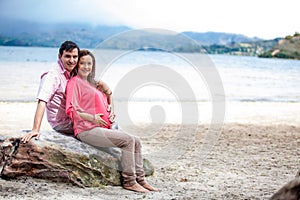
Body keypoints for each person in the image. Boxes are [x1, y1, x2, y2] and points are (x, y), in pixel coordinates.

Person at [66, 49, 158, 193]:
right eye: (82, 63)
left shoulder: (92, 83)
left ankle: (141, 179)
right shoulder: (74, 83)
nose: (86, 66)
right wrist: (92, 118)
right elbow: (71, 110)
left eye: (89, 63)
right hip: (86, 130)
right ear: (77, 65)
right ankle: (129, 181)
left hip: (100, 128)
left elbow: (108, 99)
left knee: (136, 140)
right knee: (128, 140)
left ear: (93, 65)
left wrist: (111, 110)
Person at [21, 41, 114, 143]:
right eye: (67, 56)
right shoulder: (53, 76)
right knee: (107, 127)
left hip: (75, 117)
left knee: (109, 121)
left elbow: (101, 89)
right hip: (63, 123)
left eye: (75, 57)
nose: (71, 60)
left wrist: (110, 104)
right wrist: (35, 129)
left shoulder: (72, 72)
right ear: (59, 56)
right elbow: (42, 101)